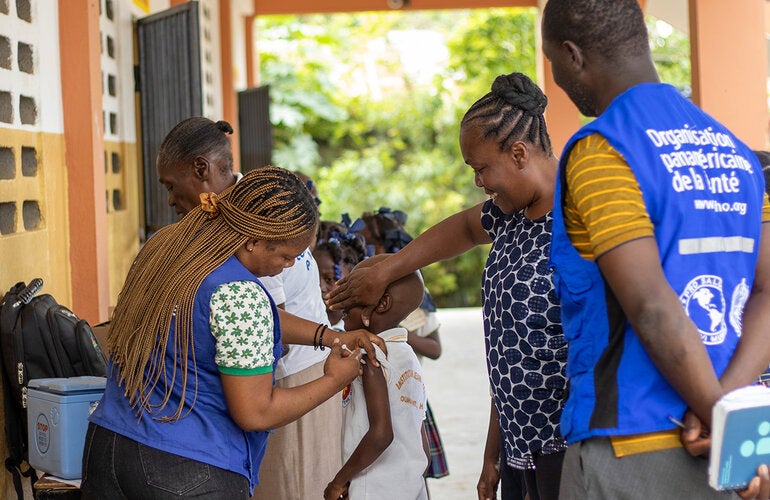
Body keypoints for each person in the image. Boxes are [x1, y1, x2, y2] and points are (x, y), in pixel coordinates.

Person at [541, 1, 770, 498]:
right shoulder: (735, 153)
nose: (556, 79)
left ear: (572, 55)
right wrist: (725, 414)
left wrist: (716, 418)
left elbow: (652, 307)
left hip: (631, 440)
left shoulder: (603, 150)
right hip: (720, 440)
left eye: (552, 64)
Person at [328, 72, 567, 500]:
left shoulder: (579, 214)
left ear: (518, 153)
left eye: (481, 169)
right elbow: (464, 231)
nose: (478, 182)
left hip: (565, 447)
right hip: (518, 443)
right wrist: (494, 452)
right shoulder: (510, 213)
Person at [81, 167, 378, 499]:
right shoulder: (240, 293)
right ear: (252, 239)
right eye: (285, 256)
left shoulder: (165, 247)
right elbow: (255, 412)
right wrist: (335, 380)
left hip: (109, 448)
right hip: (188, 469)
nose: (290, 265)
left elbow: (253, 320)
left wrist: (330, 336)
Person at [353, 208, 452, 489]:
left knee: (411, 465)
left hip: (405, 392)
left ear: (384, 246)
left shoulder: (402, 293)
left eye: (367, 243)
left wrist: (397, 333)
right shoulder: (362, 289)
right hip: (389, 394)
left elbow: (434, 348)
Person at [324, 254, 429, 500]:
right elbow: (422, 443)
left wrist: (339, 481)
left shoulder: (372, 357)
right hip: (411, 486)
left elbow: (381, 434)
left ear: (381, 304)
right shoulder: (409, 357)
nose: (343, 306)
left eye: (352, 295)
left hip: (374, 488)